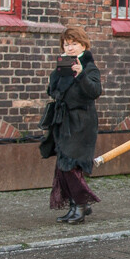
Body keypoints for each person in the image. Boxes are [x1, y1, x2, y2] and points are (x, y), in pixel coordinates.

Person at [41, 26, 102, 225]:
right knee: (63, 165)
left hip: (81, 124)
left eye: (74, 44)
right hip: (63, 123)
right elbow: (54, 91)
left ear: (83, 45)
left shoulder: (89, 66)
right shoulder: (64, 65)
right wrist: (59, 75)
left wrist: (80, 74)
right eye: (66, 44)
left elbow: (94, 91)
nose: (70, 48)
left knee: (70, 165)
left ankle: (82, 204)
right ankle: (77, 206)